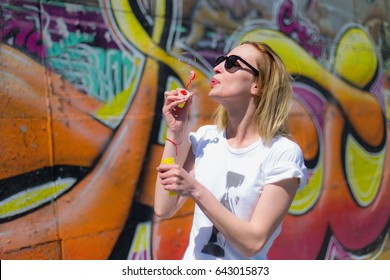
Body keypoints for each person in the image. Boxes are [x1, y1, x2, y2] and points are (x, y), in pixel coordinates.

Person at [154, 41, 307, 260]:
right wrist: (175, 132)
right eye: (220, 61)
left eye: (232, 63)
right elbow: (163, 206)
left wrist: (196, 190)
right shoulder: (206, 139)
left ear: (258, 85)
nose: (218, 68)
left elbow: (253, 242)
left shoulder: (282, 153)